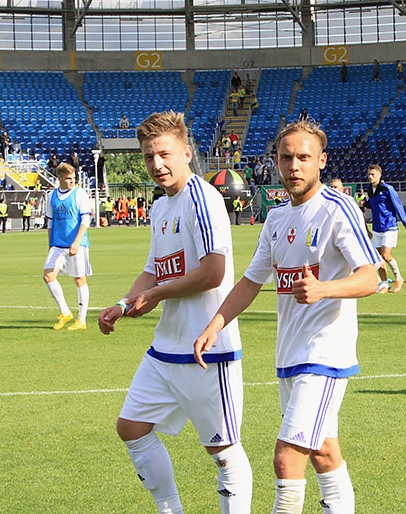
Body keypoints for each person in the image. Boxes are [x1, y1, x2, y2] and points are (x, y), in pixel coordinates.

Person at [194, 119, 380, 514]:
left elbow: (370, 276)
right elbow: (249, 282)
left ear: (321, 161)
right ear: (276, 162)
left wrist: (324, 288)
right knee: (324, 453)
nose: (294, 165)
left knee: (286, 458)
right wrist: (214, 324)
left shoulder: (337, 208)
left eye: (304, 158)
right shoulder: (277, 219)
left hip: (324, 355)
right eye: (286, 157)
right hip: (289, 358)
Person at [98, 112, 252, 513]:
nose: (157, 164)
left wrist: (158, 295)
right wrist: (122, 303)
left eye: (164, 154)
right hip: (165, 348)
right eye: (149, 157)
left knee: (222, 452)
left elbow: (213, 271)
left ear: (186, 152)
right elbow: (153, 269)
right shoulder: (161, 207)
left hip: (207, 350)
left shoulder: (201, 198)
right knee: (130, 428)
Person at [44, 162, 92, 332]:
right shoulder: (51, 196)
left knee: (79, 279)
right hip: (58, 244)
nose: (72, 181)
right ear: (60, 179)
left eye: (73, 178)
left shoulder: (80, 194)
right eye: (68, 178)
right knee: (48, 276)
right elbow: (50, 221)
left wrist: (77, 241)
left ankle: (81, 319)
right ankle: (65, 312)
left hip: (76, 244)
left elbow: (86, 219)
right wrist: (50, 244)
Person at [366, 164, 406, 293]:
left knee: (385, 255)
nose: (370, 177)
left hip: (389, 226)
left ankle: (398, 277)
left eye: (373, 174)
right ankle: (384, 284)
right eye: (369, 174)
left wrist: (405, 222)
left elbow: (397, 204)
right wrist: (365, 203)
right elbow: (374, 204)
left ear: (380, 175)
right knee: (377, 257)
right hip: (376, 228)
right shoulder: (370, 189)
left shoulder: (387, 189)